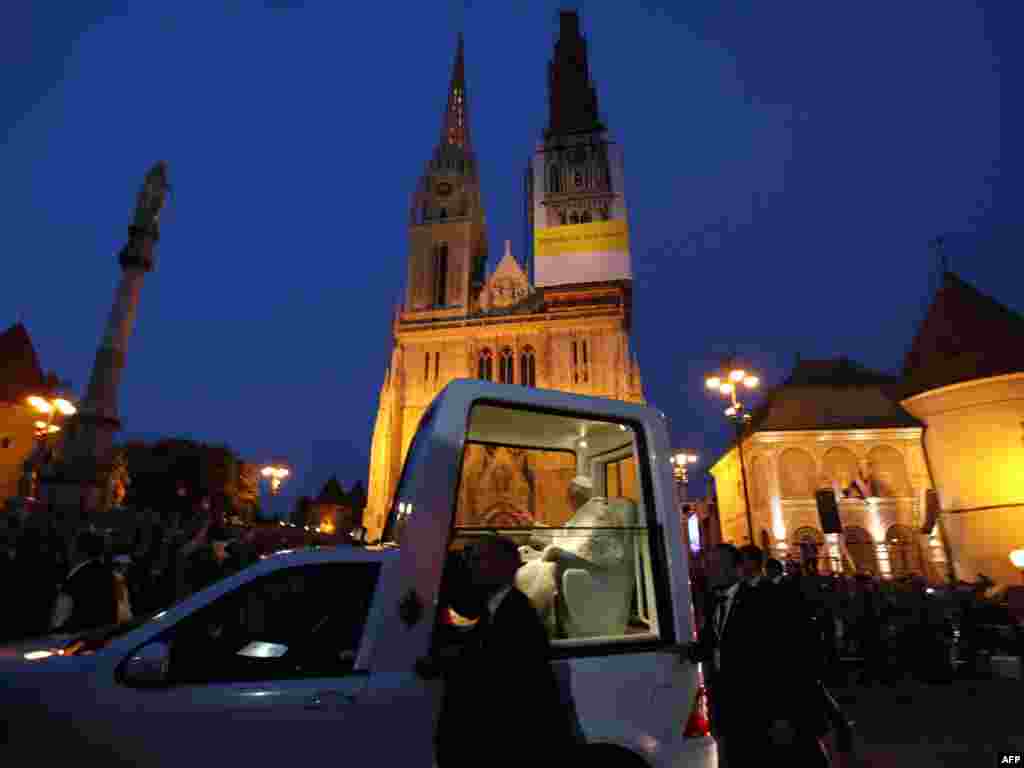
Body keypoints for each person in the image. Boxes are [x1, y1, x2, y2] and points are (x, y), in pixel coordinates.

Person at [424, 536, 577, 768]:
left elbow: (494, 672)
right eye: (470, 559)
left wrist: (444, 664)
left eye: (478, 560)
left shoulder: (517, 614)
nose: (471, 566)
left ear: (501, 567)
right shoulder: (495, 607)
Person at [685, 543, 773, 766]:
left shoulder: (760, 599)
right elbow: (708, 645)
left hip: (756, 705)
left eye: (716, 565)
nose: (709, 570)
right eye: (708, 564)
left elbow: (779, 658)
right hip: (725, 702)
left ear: (736, 568)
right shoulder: (714, 601)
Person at [58, 530, 119, 633]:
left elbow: (60, 617)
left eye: (72, 545)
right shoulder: (109, 574)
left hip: (75, 636)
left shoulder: (75, 578)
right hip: (104, 633)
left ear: (79, 550)